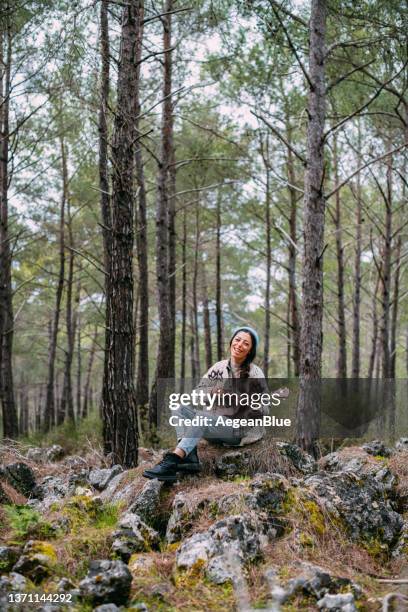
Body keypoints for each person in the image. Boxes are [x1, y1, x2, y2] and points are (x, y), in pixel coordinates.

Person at [143, 326, 270, 483]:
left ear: (250, 350)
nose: (239, 345)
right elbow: (196, 394)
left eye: (246, 343)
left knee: (202, 417)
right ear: (231, 342)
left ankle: (173, 461)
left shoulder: (255, 374)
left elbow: (264, 409)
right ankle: (190, 457)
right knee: (177, 406)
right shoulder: (218, 368)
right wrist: (211, 392)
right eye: (237, 340)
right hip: (213, 426)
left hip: (238, 432)